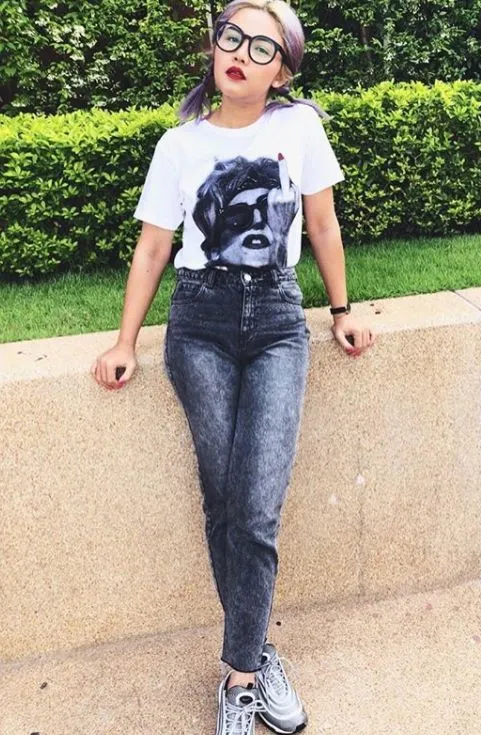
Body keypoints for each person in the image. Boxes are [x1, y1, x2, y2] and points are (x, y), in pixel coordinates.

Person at [91, 1, 375, 732]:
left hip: (279, 322)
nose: (241, 52)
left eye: (262, 46)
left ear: (282, 71)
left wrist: (342, 310)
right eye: (231, 37)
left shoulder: (298, 128)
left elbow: (322, 225)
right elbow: (154, 246)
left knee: (255, 507)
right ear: (214, 48)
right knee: (223, 504)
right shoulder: (179, 145)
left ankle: (241, 673)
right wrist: (125, 341)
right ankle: (257, 656)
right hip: (200, 324)